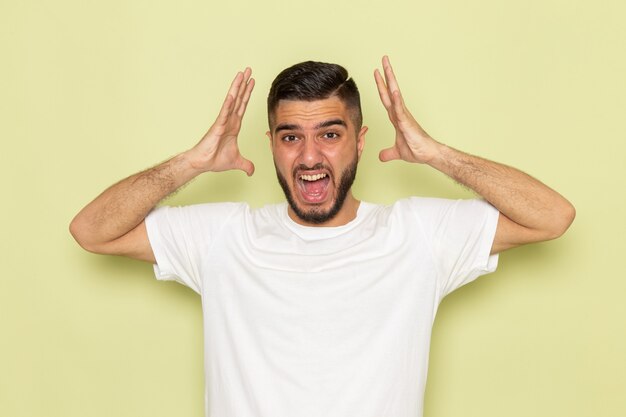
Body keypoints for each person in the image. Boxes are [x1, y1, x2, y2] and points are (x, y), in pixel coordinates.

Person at [70, 56, 575, 417]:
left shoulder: (418, 234)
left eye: (330, 134)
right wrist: (192, 162)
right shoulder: (224, 237)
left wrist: (436, 153)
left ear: (359, 140)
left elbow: (551, 216)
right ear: (271, 145)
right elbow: (91, 230)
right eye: (291, 137)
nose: (310, 157)